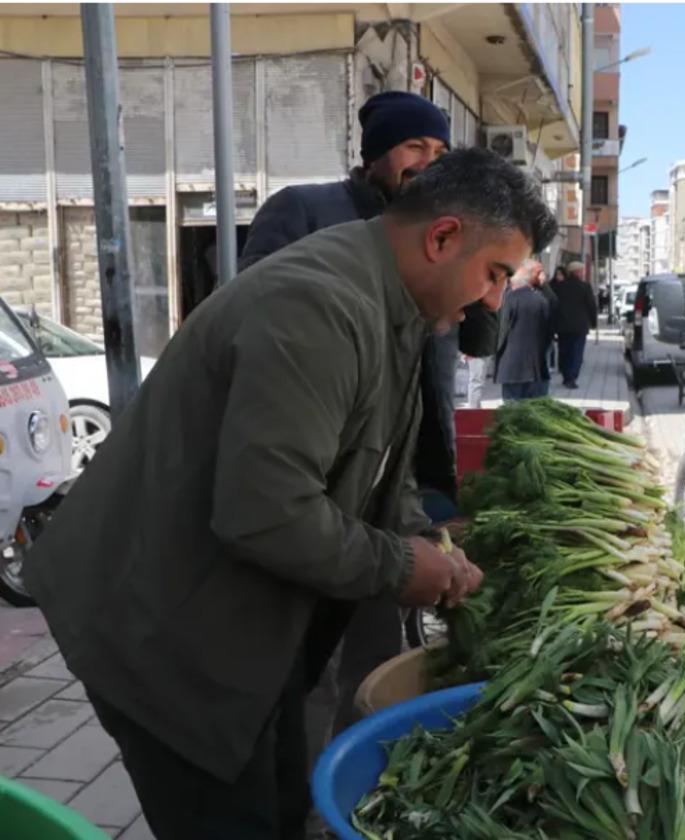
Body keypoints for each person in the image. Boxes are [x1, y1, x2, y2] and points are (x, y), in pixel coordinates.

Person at [25, 149, 557, 839]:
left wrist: (422, 536)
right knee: (230, 816)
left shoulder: (393, 306)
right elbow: (265, 511)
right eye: (494, 274)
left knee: (282, 801)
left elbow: (375, 460)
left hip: (240, 623)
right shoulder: (321, 306)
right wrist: (400, 568)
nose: (493, 299)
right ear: (443, 237)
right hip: (160, 633)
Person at [239, 90, 496, 510]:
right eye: (414, 146)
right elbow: (255, 318)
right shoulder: (304, 209)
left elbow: (479, 343)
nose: (428, 162)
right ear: (374, 153)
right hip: (324, 468)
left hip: (421, 471)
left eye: (440, 151)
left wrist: (488, 265)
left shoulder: (449, 234)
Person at [494, 260, 553, 401]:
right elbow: (549, 333)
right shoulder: (541, 301)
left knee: (513, 415)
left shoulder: (507, 300)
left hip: (511, 368)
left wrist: (494, 353)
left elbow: (501, 332)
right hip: (537, 368)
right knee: (537, 414)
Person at [554, 261, 598, 389]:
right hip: (579, 326)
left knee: (564, 351)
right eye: (582, 270)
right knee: (576, 352)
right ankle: (571, 378)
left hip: (562, 325)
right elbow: (591, 306)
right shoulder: (585, 287)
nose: (583, 273)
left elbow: (554, 305)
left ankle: (565, 375)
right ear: (578, 272)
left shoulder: (560, 286)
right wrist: (593, 323)